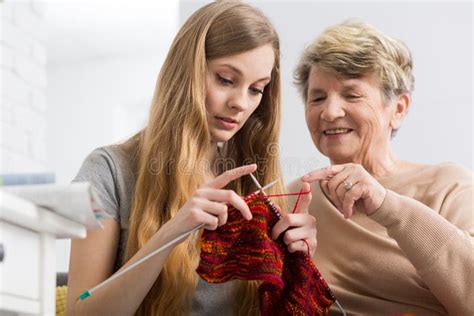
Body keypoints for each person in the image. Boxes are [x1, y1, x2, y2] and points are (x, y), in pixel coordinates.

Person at [66, 1, 316, 315]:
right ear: (187, 72)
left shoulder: (253, 183)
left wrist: (297, 265)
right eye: (225, 79)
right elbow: (81, 313)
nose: (240, 102)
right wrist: (173, 231)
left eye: (256, 89)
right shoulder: (108, 171)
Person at [290, 20, 473, 315]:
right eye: (318, 97)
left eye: (351, 95)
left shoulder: (449, 186)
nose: (330, 111)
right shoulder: (294, 199)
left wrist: (387, 206)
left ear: (398, 109)